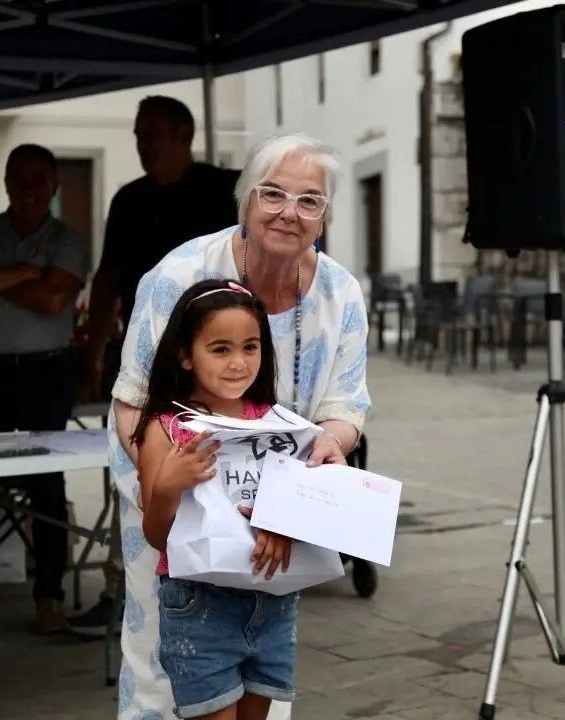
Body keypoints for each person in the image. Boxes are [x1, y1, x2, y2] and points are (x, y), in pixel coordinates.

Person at [108, 130, 371, 720]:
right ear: (246, 201)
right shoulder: (180, 273)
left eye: (310, 201)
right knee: (163, 664)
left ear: (325, 215)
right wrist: (174, 483)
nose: (289, 212)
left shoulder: (340, 292)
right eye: (272, 194)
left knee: (262, 661)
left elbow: (346, 406)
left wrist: (328, 449)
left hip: (277, 513)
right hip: (176, 495)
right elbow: (133, 399)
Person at [71, 95, 239, 637]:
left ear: (184, 134)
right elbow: (105, 283)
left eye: (154, 135)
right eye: (139, 134)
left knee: (216, 471)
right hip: (144, 367)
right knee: (137, 475)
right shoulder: (128, 201)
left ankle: (226, 578)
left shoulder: (223, 190)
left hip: (214, 366)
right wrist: (93, 354)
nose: (143, 145)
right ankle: (123, 587)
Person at [136, 278, 298, 720]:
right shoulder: (166, 428)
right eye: (220, 348)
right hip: (199, 606)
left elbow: (303, 509)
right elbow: (156, 536)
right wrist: (169, 486)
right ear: (186, 355)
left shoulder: (279, 424)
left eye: (251, 346)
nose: (238, 363)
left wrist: (283, 524)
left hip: (272, 600)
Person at [0, 143, 86, 633]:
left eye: (38, 177)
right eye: (18, 176)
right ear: (5, 182)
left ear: (53, 186)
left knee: (46, 485)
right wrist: (26, 272)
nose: (28, 186)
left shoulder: (69, 239)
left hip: (43, 375)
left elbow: (52, 300)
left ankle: (48, 598)